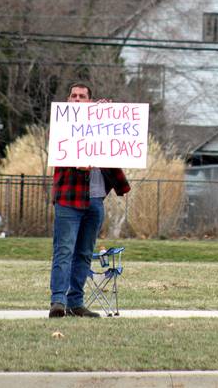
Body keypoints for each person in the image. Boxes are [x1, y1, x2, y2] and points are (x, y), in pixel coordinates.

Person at [49, 82, 131, 318]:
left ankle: (76, 303)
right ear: (67, 100)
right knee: (64, 250)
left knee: (84, 252)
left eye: (82, 96)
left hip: (95, 200)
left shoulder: (101, 125)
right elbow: (58, 149)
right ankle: (58, 301)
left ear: (89, 101)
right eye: (73, 95)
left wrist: (107, 113)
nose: (77, 99)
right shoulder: (61, 125)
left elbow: (114, 148)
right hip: (68, 199)